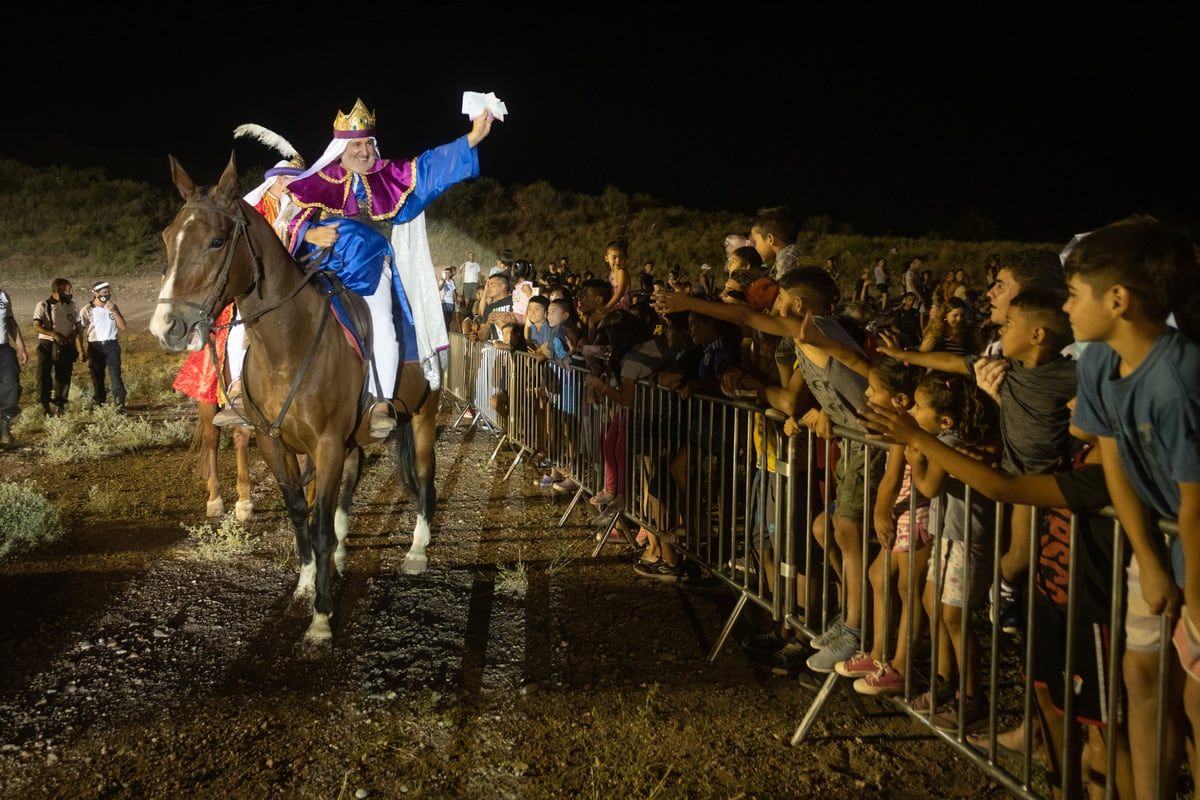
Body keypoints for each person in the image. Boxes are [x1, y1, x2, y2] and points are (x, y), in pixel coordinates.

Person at [1063, 216, 1200, 800]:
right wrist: (1146, 555)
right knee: (1141, 677)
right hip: (1160, 540)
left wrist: (1192, 598)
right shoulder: (1099, 359)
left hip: (1195, 541)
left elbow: (1195, 507)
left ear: (1117, 299)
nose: (1065, 307)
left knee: (1196, 698)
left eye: (1074, 294)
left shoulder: (1180, 377)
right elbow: (1113, 458)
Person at [279, 97, 496, 437]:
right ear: (340, 148)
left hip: (370, 269)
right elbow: (286, 218)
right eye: (356, 145)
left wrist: (471, 138)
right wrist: (309, 232)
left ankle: (380, 400)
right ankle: (257, 391)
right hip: (320, 267)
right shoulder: (318, 180)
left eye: (368, 143)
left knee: (382, 321)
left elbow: (429, 167)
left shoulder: (388, 176)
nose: (364, 151)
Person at [32, 278, 85, 416]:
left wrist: (80, 350)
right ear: (58, 290)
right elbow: (36, 326)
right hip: (47, 344)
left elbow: (78, 328)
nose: (71, 292)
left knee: (64, 376)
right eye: (67, 289)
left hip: (66, 345)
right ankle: (44, 405)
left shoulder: (72, 305)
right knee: (43, 375)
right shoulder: (43, 305)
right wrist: (54, 334)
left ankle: (61, 405)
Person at [81, 281, 127, 413]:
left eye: (108, 292)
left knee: (115, 374)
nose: (107, 295)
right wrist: (80, 349)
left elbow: (123, 326)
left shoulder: (112, 307)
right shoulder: (87, 309)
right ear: (95, 293)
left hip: (111, 344)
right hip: (95, 345)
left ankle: (119, 402)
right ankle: (99, 400)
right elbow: (80, 329)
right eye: (103, 293)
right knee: (97, 375)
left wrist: (114, 311)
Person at [0, 285, 29, 446]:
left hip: (4, 348)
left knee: (12, 386)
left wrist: (21, 347)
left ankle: (5, 425)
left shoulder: (3, 295)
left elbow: (10, 321)